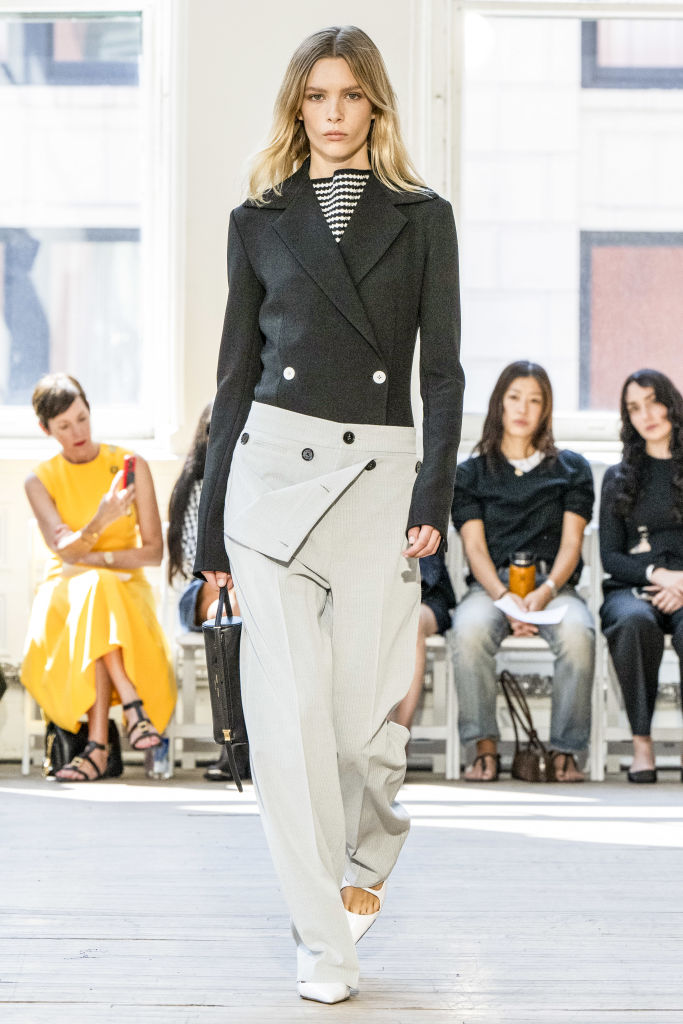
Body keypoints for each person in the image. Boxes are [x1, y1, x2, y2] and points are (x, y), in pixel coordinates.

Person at [194, 26, 463, 1005]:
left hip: (379, 482)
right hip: (269, 479)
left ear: (375, 106)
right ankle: (322, 941)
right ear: (297, 107)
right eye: (318, 95)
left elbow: (441, 371)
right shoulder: (257, 219)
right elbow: (231, 383)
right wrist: (211, 532)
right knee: (288, 724)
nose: (335, 111)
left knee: (357, 731)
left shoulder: (422, 217)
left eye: (350, 94)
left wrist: (432, 491)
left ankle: (369, 846)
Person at [21, 373, 176, 781]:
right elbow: (62, 550)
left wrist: (94, 555)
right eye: (64, 426)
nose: (78, 432)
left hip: (124, 591)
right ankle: (131, 704)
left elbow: (154, 552)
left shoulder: (130, 465)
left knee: (99, 585)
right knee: (95, 588)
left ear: (90, 411)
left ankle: (97, 748)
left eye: (82, 418)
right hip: (63, 593)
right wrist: (102, 518)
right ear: (46, 430)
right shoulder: (39, 480)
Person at [448, 361, 595, 783]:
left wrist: (544, 593)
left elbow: (571, 545)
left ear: (546, 409)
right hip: (491, 587)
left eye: (535, 400)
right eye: (515, 397)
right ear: (499, 404)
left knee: (578, 633)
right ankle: (485, 749)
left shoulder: (572, 468)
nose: (523, 409)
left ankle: (565, 752)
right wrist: (505, 598)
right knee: (469, 630)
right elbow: (473, 547)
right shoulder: (470, 473)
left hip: (554, 587)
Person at [599, 369, 683, 784]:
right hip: (634, 587)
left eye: (653, 401)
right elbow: (610, 557)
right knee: (633, 622)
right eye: (634, 407)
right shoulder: (618, 477)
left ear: (671, 403)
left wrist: (680, 582)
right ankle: (642, 744)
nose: (646, 414)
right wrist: (658, 574)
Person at [167, 401, 245, 781]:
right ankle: (235, 745)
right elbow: (202, 564)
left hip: (243, 596)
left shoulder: (254, 483)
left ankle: (241, 744)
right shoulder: (197, 486)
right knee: (233, 616)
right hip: (200, 593)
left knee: (238, 620)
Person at [392, 552, 456, 731]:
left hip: (428, 595)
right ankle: (381, 742)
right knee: (383, 623)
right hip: (380, 598)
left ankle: (399, 740)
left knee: (412, 621)